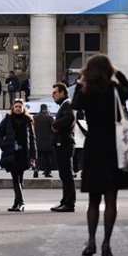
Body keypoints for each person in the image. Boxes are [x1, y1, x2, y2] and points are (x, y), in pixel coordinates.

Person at [72, 54, 128, 256]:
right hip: (114, 146)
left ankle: (91, 241)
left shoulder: (86, 90)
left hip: (94, 146)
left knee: (93, 200)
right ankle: (106, 243)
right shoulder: (114, 90)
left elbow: (74, 104)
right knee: (111, 198)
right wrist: (118, 74)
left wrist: (82, 80)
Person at [0, 99, 37, 212]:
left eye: (20, 106)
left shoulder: (27, 120)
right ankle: (20, 202)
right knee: (16, 178)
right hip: (12, 153)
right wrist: (6, 145)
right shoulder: (7, 120)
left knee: (20, 178)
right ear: (13, 108)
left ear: (23, 108)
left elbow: (32, 138)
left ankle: (18, 202)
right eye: (16, 106)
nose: (18, 108)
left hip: (23, 153)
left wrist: (33, 155)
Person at [51, 82, 76, 212]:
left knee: (66, 175)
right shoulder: (65, 104)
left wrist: (55, 124)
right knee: (64, 174)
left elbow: (70, 117)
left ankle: (69, 203)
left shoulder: (67, 104)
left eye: (55, 92)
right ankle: (65, 200)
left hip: (65, 143)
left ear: (62, 92)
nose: (53, 95)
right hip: (63, 143)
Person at [33, 103, 54, 178]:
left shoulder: (35, 117)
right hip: (48, 141)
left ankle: (36, 169)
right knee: (48, 158)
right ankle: (47, 172)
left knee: (38, 157)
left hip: (37, 141)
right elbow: (53, 129)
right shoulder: (50, 117)